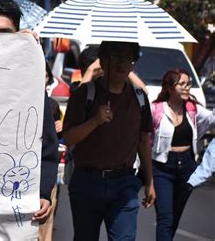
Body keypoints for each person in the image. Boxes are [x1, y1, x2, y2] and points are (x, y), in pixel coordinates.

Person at [0, 0, 59, 240]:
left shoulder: (29, 85)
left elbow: (47, 147)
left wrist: (43, 193)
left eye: (5, 33)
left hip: (8, 205)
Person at [63, 41, 155, 241]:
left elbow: (143, 141)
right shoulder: (84, 94)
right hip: (87, 182)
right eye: (115, 57)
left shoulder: (139, 98)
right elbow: (69, 138)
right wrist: (95, 121)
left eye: (127, 58)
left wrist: (149, 181)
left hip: (124, 184)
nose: (122, 63)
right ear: (102, 61)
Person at [150, 68, 215, 240]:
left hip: (187, 166)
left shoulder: (192, 108)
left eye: (189, 84)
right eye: (182, 84)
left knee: (175, 218)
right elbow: (143, 138)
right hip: (162, 168)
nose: (187, 88)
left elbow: (212, 120)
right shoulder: (156, 110)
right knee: (165, 217)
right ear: (170, 88)